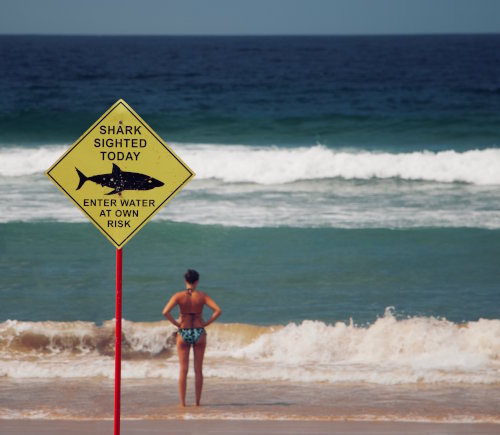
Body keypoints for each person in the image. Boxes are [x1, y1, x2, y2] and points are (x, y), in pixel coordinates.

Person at [162, 269, 222, 407]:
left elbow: (165, 312)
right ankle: (197, 402)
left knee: (183, 370)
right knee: (198, 370)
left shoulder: (178, 296)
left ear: (185, 280)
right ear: (197, 281)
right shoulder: (202, 296)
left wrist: (177, 324)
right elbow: (218, 310)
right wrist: (205, 323)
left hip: (183, 332)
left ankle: (182, 404)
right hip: (199, 332)